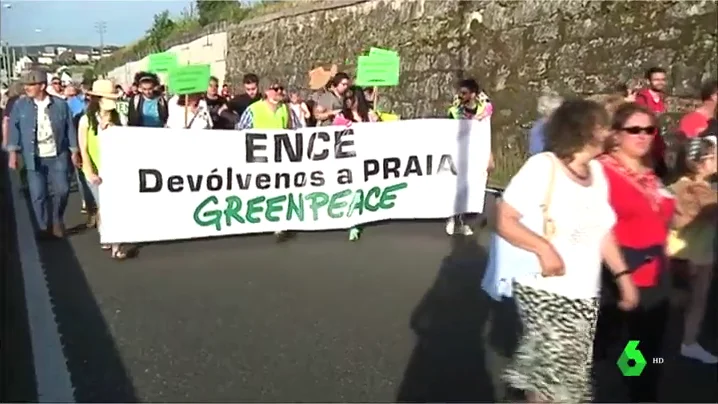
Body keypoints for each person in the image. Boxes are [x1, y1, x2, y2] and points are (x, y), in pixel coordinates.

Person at [493, 99, 637, 403]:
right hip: (545, 289)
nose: (611, 131)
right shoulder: (544, 167)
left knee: (562, 377)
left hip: (585, 294)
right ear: (584, 130)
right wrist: (543, 248)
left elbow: (602, 231)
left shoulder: (597, 174)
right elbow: (504, 219)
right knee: (554, 381)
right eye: (603, 125)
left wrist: (623, 275)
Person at [593, 102, 676, 403]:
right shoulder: (601, 170)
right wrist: (621, 273)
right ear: (616, 135)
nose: (643, 136)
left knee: (647, 348)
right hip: (620, 268)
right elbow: (597, 223)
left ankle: (637, 389)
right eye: (634, 130)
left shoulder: (651, 173)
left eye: (649, 130)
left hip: (657, 269)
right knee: (613, 343)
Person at [6, 69, 80, 239]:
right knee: (38, 194)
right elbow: (14, 129)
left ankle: (56, 220)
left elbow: (69, 128)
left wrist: (74, 151)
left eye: (31, 85)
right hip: (33, 156)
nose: (27, 88)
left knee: (62, 189)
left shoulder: (60, 104)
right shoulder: (20, 105)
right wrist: (12, 153)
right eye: (25, 84)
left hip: (57, 154)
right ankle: (42, 226)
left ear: (42, 86)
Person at [666, 137, 717, 363]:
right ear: (699, 163)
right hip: (686, 256)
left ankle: (687, 343)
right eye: (713, 157)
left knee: (694, 302)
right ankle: (684, 343)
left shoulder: (680, 186)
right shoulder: (695, 191)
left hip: (695, 253)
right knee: (686, 302)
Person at [237, 78, 302, 241]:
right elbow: (240, 132)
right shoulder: (254, 109)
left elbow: (298, 130)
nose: (279, 92)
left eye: (281, 88)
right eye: (275, 89)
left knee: (280, 189)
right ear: (266, 92)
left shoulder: (286, 110)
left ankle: (278, 222)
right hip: (259, 158)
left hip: (281, 158)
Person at [78, 79, 131, 259]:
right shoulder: (86, 120)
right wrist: (89, 171)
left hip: (115, 169)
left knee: (114, 206)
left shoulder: (120, 118)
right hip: (95, 169)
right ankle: (107, 235)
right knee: (103, 206)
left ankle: (116, 244)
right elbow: (83, 148)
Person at [445, 78, 494, 236]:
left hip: (477, 153)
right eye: (460, 92)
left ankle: (465, 221)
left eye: (464, 93)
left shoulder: (485, 110)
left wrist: (489, 154)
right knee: (455, 186)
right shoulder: (454, 111)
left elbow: (486, 132)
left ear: (473, 94)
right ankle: (452, 218)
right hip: (459, 153)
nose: (460, 95)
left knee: (472, 187)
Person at [333, 86, 379, 241]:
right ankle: (353, 223)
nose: (348, 101)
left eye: (351, 98)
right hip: (349, 159)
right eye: (345, 98)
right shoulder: (341, 116)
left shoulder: (370, 115)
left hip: (367, 157)